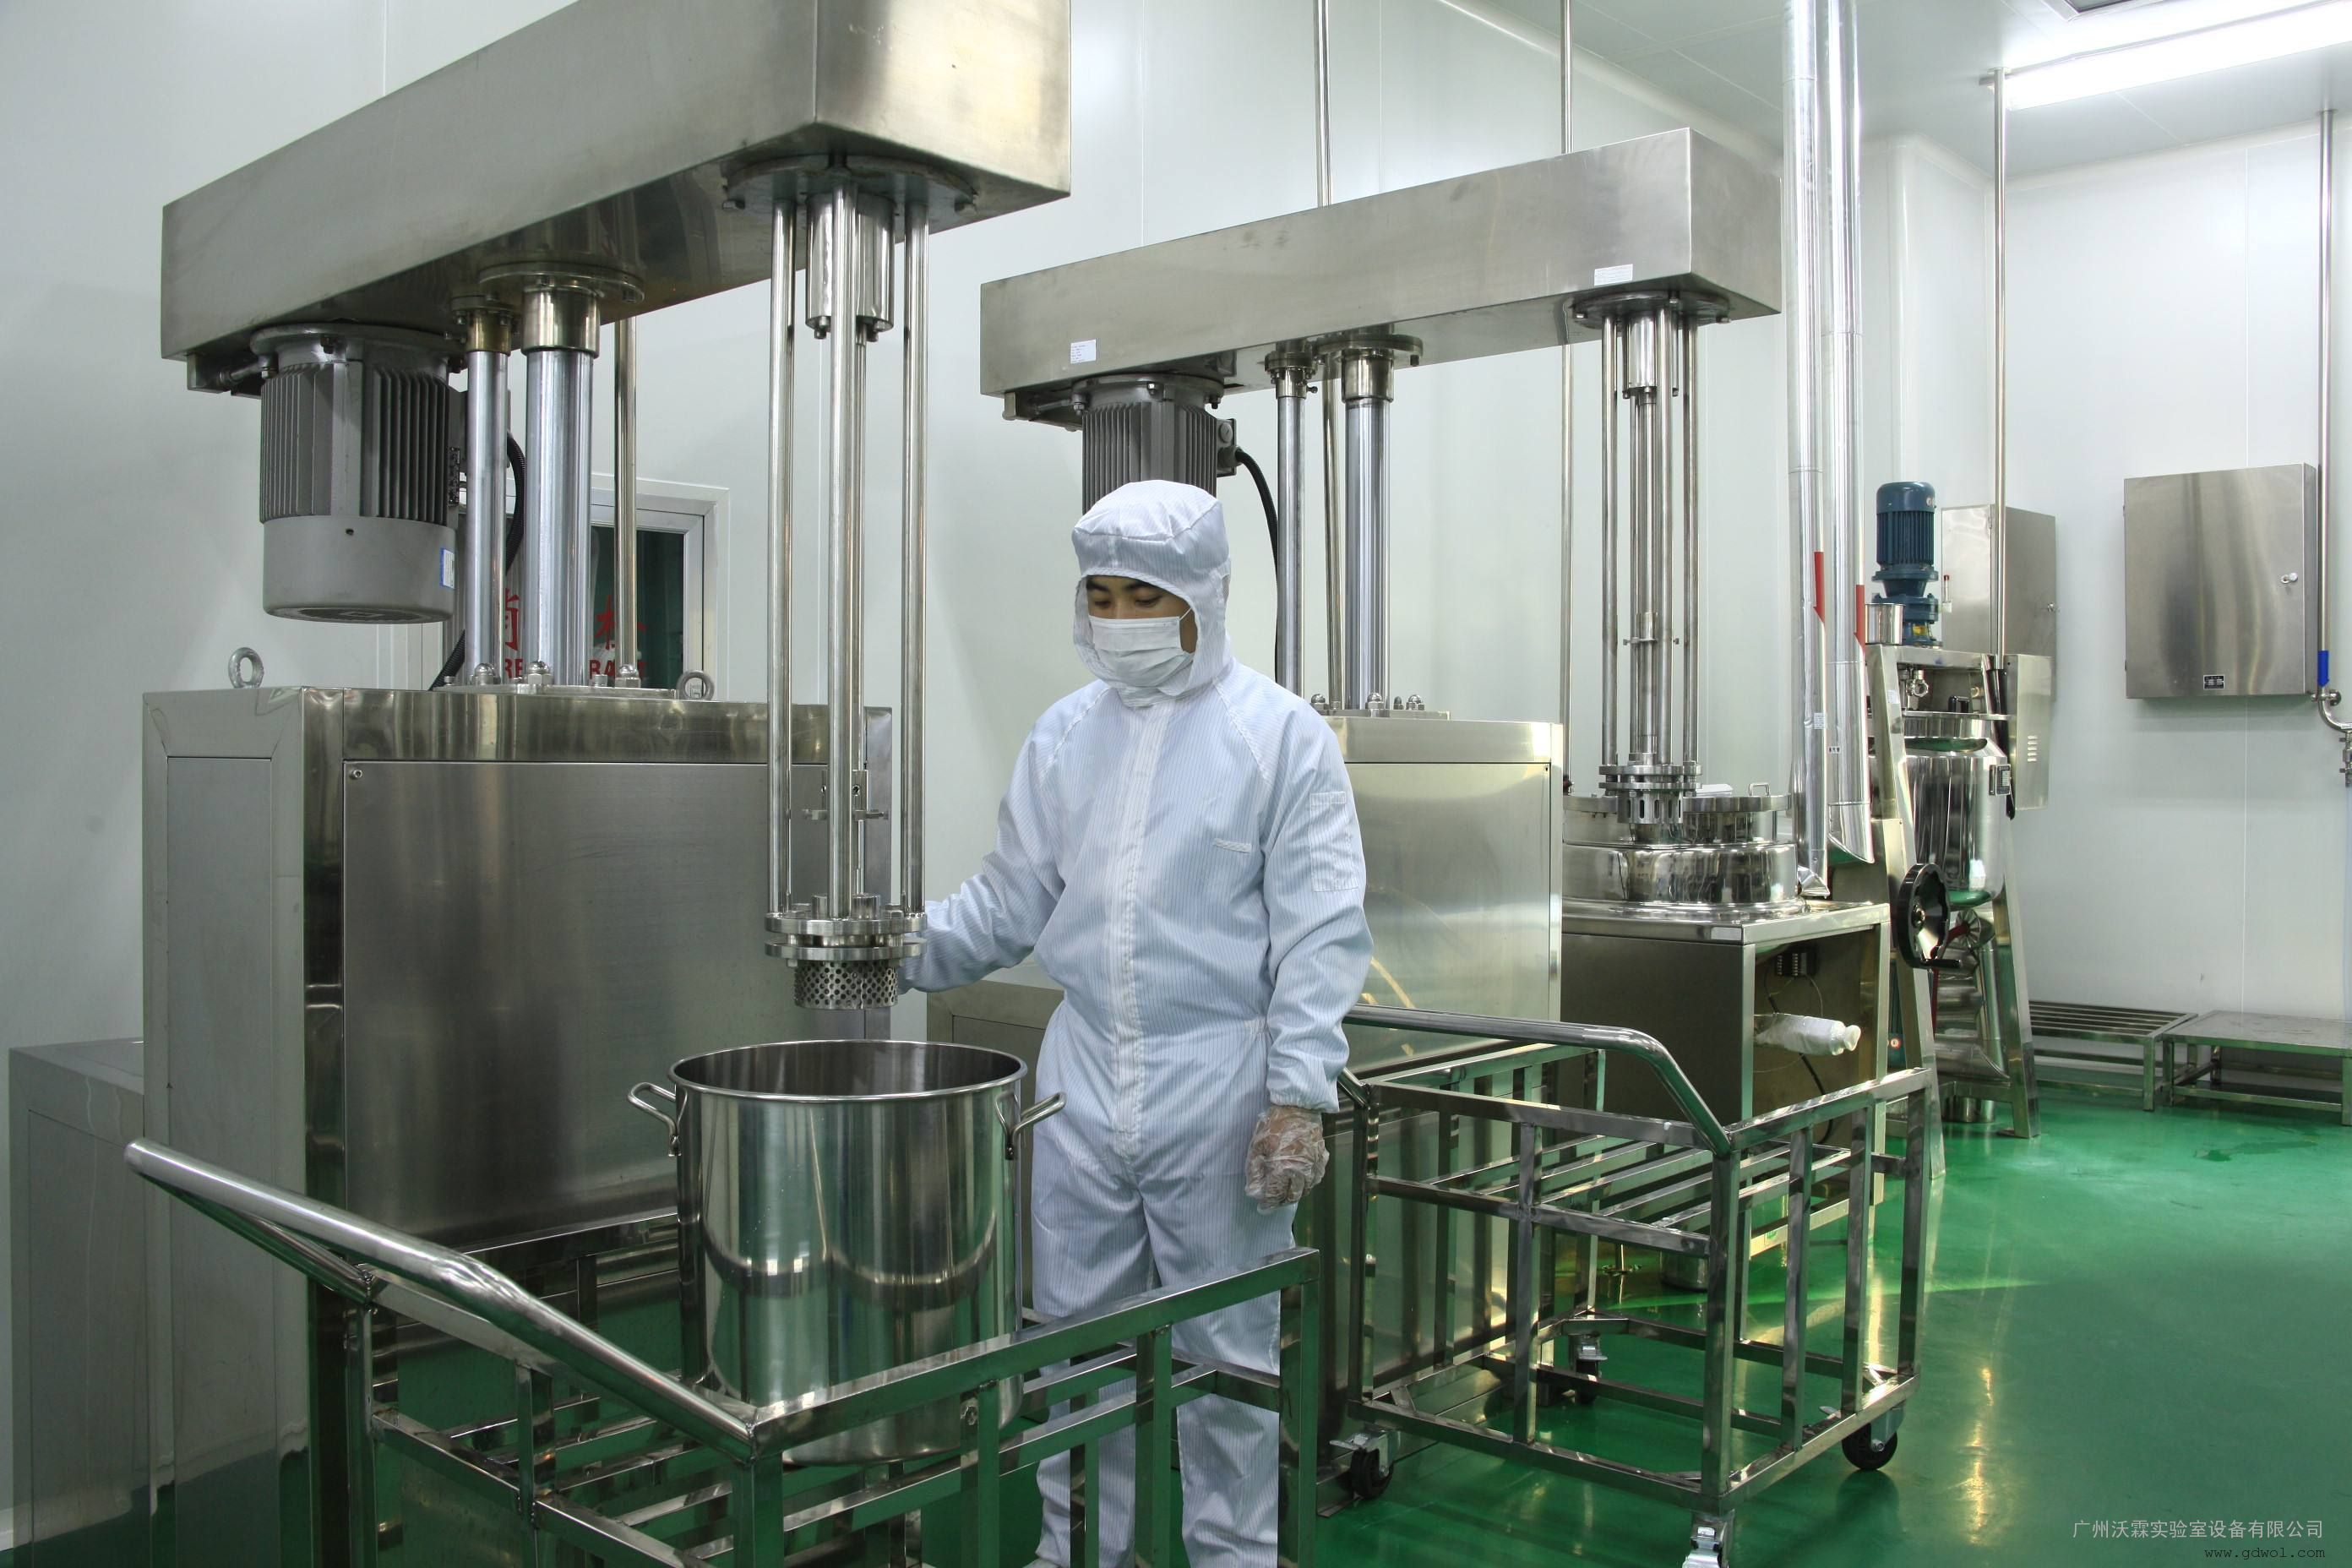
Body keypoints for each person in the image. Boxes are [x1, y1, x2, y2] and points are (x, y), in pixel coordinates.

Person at [902, 479, 1373, 1567]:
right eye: (1101, 596)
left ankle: (1233, 1556)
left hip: (1220, 1084)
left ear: (1202, 597)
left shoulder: (1280, 740)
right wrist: (893, 945)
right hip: (1079, 1081)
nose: (1120, 620)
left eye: (1145, 597)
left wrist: (1298, 1093)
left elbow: (1320, 931)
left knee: (1226, 1359)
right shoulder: (1064, 738)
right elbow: (1010, 903)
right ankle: (1078, 1553)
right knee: (1075, 1348)